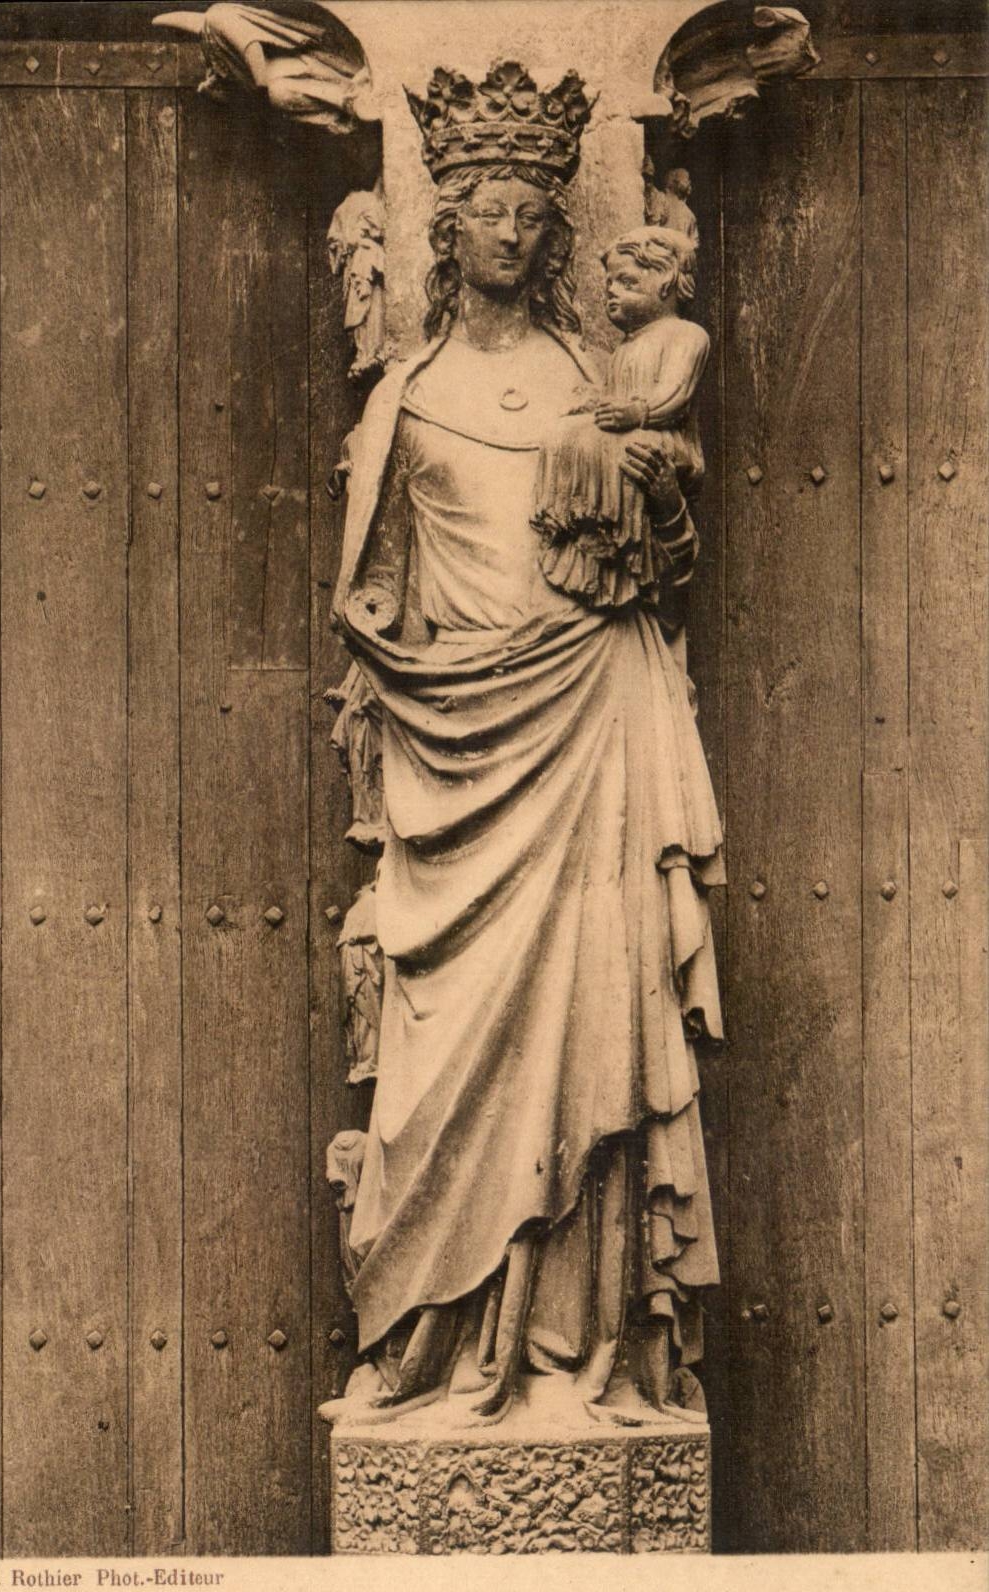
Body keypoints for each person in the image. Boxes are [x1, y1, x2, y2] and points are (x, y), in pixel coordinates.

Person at [325, 61, 723, 1429]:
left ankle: (582, 1342)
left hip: (589, 725)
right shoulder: (407, 398)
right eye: (482, 207)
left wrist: (656, 499)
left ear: (553, 235)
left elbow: (664, 574)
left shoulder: (601, 384)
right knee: (439, 1062)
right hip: (456, 755)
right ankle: (429, 1340)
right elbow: (366, 594)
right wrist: (404, 664)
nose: (504, 228)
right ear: (449, 232)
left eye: (526, 212)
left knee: (595, 1029)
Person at [532, 225, 709, 611]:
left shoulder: (685, 335)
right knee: (564, 434)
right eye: (609, 282)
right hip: (628, 431)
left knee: (622, 450)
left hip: (663, 441)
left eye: (626, 281)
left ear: (666, 284)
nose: (612, 291)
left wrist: (639, 411)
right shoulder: (625, 348)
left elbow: (676, 397)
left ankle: (620, 531)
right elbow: (611, 402)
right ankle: (576, 520)